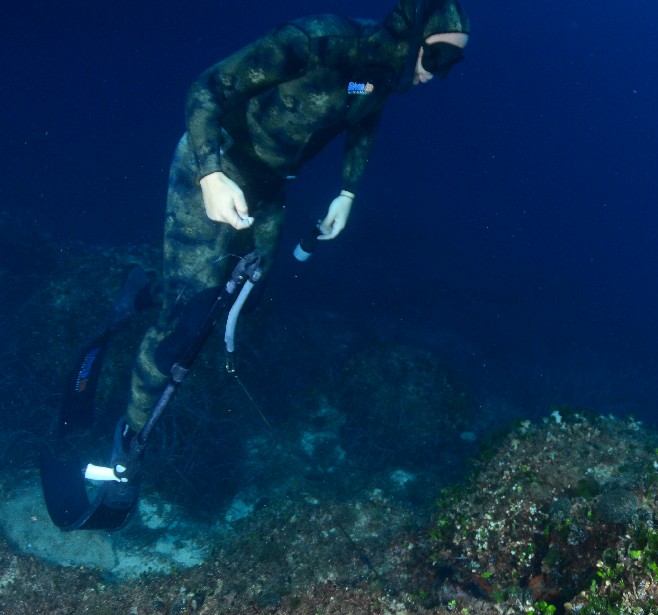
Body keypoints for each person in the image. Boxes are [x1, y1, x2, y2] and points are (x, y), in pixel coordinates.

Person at [121, 0, 471, 448]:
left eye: (452, 64)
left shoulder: (374, 78)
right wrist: (210, 175)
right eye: (439, 57)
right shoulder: (317, 43)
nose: (438, 74)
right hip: (214, 167)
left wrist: (347, 193)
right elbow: (206, 88)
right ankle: (127, 442)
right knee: (184, 323)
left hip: (268, 190)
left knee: (247, 300)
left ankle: (143, 292)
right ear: (412, 33)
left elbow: (364, 116)